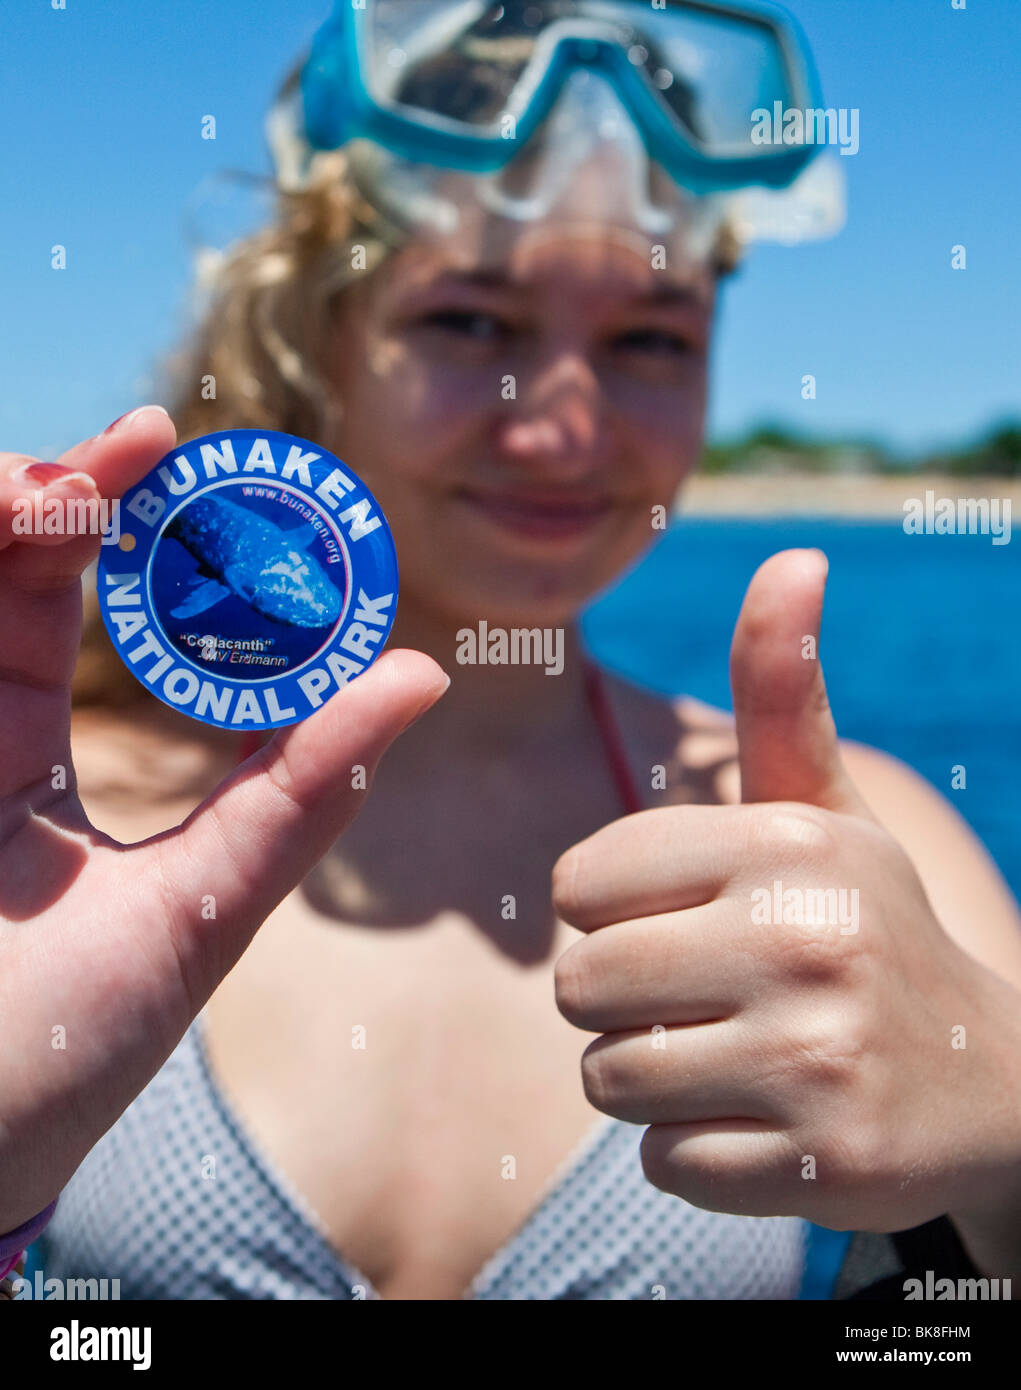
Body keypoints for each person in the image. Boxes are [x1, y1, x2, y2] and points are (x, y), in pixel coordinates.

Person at [3, 0, 1021, 1303]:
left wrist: (1001, 1135)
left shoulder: (856, 850)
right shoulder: (36, 833)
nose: (556, 428)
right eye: (471, 324)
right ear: (321, 344)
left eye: (648, 337)